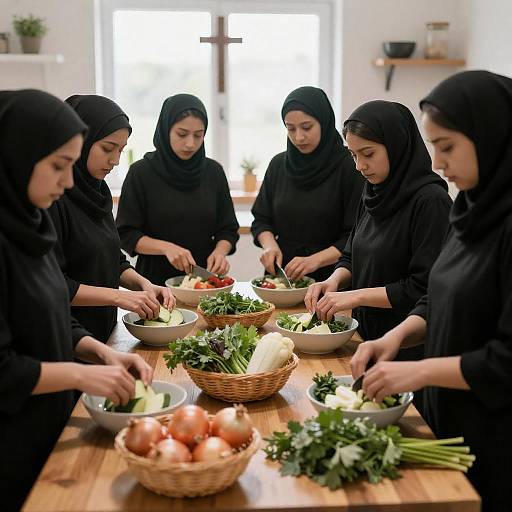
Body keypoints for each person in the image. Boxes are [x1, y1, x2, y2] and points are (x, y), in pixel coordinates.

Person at [350, 71, 512, 511]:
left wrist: (419, 372)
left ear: (493, 135)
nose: (438, 163)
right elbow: (435, 296)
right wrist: (396, 338)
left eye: (447, 147)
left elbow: (506, 361)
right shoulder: (469, 207)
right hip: (450, 421)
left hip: (495, 440)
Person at [0, 89, 152, 512]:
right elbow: (3, 370)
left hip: (48, 429)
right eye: (57, 166)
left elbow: (53, 313)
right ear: (16, 154)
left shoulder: (30, 226)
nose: (68, 182)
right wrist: (81, 376)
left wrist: (100, 352)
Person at [48, 95, 174, 342]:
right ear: (80, 142)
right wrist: (119, 297)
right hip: (66, 340)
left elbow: (110, 260)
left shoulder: (98, 191)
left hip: (101, 334)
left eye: (121, 150)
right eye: (107, 148)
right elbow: (54, 284)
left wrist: (143, 285)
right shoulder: (52, 198)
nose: (115, 161)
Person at [116, 94, 239, 285]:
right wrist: (166, 248)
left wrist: (220, 252)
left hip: (203, 282)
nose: (190, 143)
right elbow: (126, 234)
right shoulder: (141, 173)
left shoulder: (213, 172)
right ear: (166, 130)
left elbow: (228, 229)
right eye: (182, 134)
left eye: (198, 135)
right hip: (153, 284)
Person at [251, 86, 365, 282]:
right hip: (284, 278)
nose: (298, 137)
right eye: (290, 128)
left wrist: (316, 260)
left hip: (333, 278)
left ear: (324, 122)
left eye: (307, 127)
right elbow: (262, 220)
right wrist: (270, 245)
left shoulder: (350, 166)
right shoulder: (278, 165)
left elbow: (357, 234)